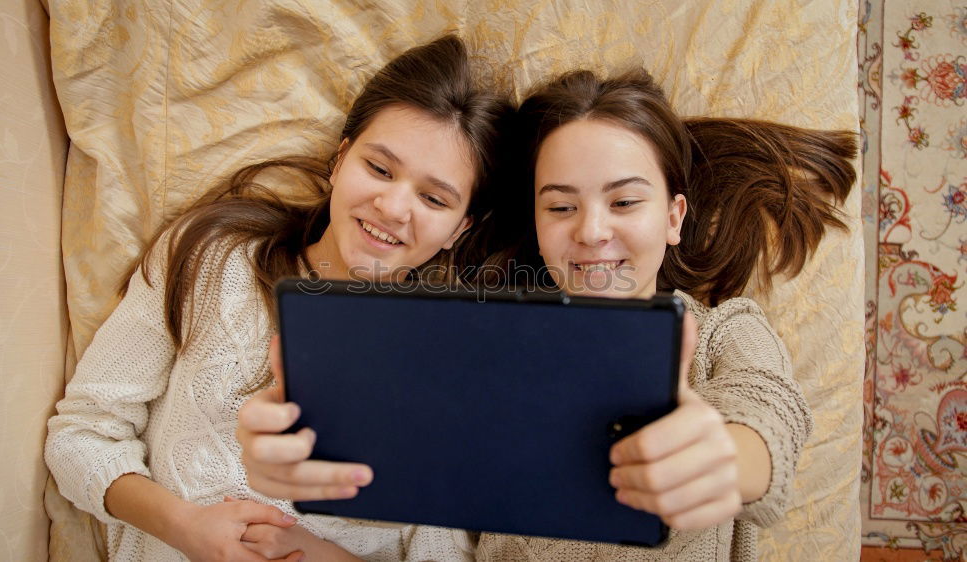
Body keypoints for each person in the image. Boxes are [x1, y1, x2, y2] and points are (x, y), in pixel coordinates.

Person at [238, 66, 856, 562]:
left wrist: (726, 458)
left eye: (624, 202)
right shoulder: (487, 348)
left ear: (672, 216)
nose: (592, 231)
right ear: (536, 225)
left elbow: (768, 415)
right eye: (561, 207)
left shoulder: (725, 333)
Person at [45, 35, 511, 562]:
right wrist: (184, 526)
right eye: (379, 168)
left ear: (460, 227)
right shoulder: (212, 258)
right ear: (340, 161)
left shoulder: (452, 365)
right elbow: (80, 434)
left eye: (433, 198)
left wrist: (323, 556)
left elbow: (440, 551)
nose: (393, 205)